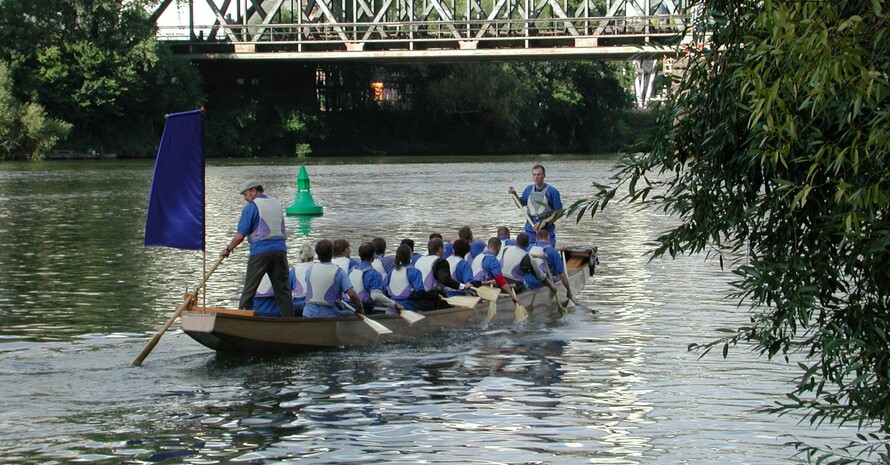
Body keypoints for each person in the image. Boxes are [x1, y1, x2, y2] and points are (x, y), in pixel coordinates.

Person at [221, 180, 294, 317]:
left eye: (246, 194)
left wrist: (228, 249)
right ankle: (289, 321)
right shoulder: (276, 204)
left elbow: (240, 236)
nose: (245, 198)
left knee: (249, 290)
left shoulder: (251, 207)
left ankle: (242, 320)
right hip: (280, 251)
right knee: (283, 291)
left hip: (260, 253)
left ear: (253, 191)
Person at [302, 239, 364, 317]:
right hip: (329, 315)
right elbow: (352, 294)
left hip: (308, 313)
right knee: (350, 314)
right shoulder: (339, 272)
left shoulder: (309, 270)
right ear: (332, 253)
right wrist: (360, 307)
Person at [508, 164, 562, 247]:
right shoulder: (528, 189)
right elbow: (520, 205)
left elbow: (558, 213)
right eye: (534, 175)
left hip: (546, 232)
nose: (536, 177)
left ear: (544, 175)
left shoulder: (553, 192)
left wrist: (545, 222)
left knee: (547, 253)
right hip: (530, 229)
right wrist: (514, 194)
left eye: (539, 174)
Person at [414, 237, 474, 308]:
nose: (444, 251)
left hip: (418, 299)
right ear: (439, 249)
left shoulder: (419, 260)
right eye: (443, 248)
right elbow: (445, 279)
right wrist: (462, 286)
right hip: (435, 300)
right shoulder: (440, 262)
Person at [349, 242, 405, 314]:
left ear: (359, 255)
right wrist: (395, 305)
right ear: (373, 256)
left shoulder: (350, 270)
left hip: (350, 307)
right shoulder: (375, 274)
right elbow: (376, 295)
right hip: (365, 309)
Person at [470, 237, 520, 305]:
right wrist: (512, 295)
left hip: (472, 289)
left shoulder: (478, 256)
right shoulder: (493, 260)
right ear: (499, 248)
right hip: (482, 293)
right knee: (505, 300)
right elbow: (499, 279)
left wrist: (508, 285)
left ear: (487, 246)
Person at [530, 229, 572, 300]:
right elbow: (562, 275)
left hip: (529, 279)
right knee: (557, 278)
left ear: (536, 239)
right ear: (548, 238)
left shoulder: (529, 248)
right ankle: (550, 300)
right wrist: (569, 291)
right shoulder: (552, 251)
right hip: (543, 281)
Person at [385, 243, 425, 311]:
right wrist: (435, 296)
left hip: (391, 309)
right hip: (409, 309)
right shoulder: (415, 272)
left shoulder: (391, 272)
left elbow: (384, 288)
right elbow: (420, 293)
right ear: (410, 256)